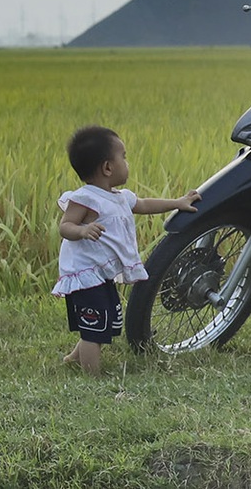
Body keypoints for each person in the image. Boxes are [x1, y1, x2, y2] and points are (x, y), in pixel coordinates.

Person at [54, 124, 200, 375]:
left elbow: (144, 204)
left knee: (104, 320)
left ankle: (72, 360)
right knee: (93, 328)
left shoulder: (120, 197)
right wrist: (82, 231)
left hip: (101, 274)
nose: (127, 162)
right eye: (123, 156)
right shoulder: (86, 198)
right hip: (86, 274)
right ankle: (92, 376)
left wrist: (178, 203)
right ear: (107, 168)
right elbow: (65, 226)